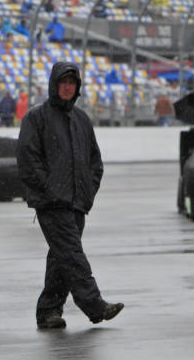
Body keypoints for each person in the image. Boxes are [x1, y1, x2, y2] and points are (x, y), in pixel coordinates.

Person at [16, 62, 124, 329]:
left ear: (77, 88)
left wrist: (88, 192)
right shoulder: (36, 118)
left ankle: (48, 311)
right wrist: (48, 190)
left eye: (72, 83)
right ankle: (94, 304)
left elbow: (95, 163)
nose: (67, 87)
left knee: (61, 257)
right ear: (54, 84)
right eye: (63, 82)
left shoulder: (81, 120)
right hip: (51, 203)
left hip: (77, 203)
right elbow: (28, 160)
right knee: (72, 254)